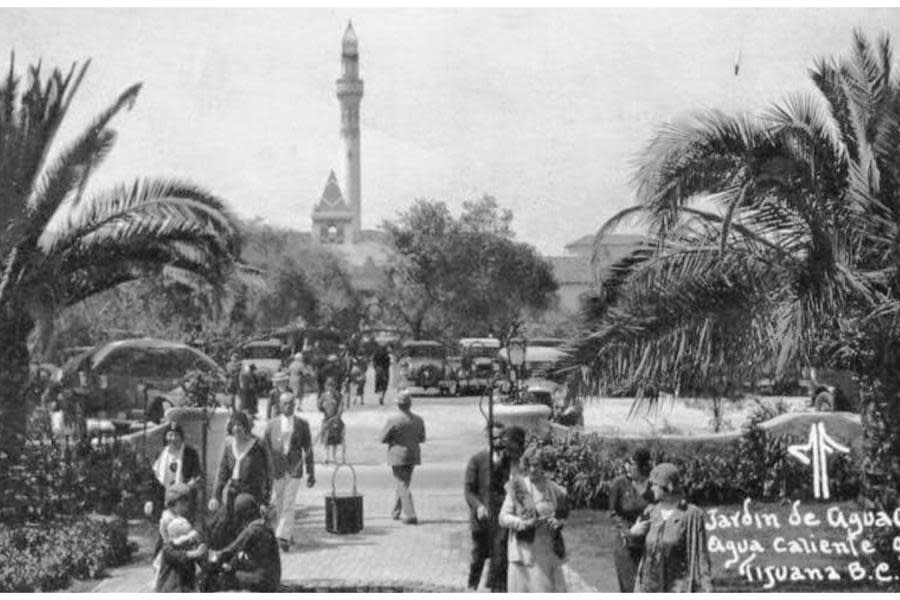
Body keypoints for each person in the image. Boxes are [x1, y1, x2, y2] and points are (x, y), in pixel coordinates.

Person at [630, 462, 712, 593]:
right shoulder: (650, 512)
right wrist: (633, 535)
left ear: (668, 487)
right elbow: (636, 554)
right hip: (649, 587)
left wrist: (707, 590)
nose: (651, 489)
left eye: (655, 485)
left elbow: (701, 559)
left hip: (678, 589)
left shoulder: (691, 515)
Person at [464, 425, 526, 592]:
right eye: (494, 438)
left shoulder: (509, 460)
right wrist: (478, 506)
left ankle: (495, 588)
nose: (498, 442)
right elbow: (468, 490)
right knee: (478, 556)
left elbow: (515, 485)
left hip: (500, 518)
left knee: (499, 557)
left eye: (501, 438)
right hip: (482, 519)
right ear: (487, 437)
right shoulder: (477, 459)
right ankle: (471, 586)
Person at [499, 447, 569, 593]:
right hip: (524, 551)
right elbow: (502, 518)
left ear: (543, 465)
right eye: (529, 464)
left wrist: (557, 522)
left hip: (547, 551)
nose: (532, 469)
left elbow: (563, 515)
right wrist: (522, 523)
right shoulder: (519, 487)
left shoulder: (553, 488)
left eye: (536, 465)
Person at [208, 411, 271, 549]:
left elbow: (267, 475)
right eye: (234, 425)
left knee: (241, 509)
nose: (237, 428)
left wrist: (265, 501)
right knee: (218, 524)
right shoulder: (229, 446)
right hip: (232, 492)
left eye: (240, 425)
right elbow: (222, 474)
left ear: (246, 427)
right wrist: (215, 496)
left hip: (251, 494)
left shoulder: (257, 446)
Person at [263, 395, 316, 552]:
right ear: (280, 405)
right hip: (277, 470)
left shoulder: (302, 425)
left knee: (289, 503)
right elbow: (265, 449)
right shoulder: (271, 425)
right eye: (285, 404)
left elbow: (308, 450)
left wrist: (311, 472)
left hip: (294, 469)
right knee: (280, 504)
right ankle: (287, 534)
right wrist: (266, 471)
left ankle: (282, 538)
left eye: (292, 403)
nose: (289, 406)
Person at [208, 494, 281, 593]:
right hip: (273, 578)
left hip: (263, 582)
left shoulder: (253, 530)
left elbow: (230, 551)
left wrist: (209, 556)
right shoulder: (264, 525)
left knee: (224, 578)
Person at [609, 447, 655, 592]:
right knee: (629, 587)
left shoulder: (653, 485)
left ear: (641, 466)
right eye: (627, 462)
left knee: (649, 586)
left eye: (631, 463)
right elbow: (612, 513)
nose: (627, 466)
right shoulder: (619, 483)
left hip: (649, 543)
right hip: (626, 544)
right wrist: (629, 531)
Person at [379, 390, 425, 524]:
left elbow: (382, 438)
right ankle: (396, 511)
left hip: (397, 455)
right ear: (410, 404)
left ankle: (410, 514)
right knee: (403, 483)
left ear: (398, 405)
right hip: (413, 454)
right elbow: (422, 438)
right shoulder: (419, 420)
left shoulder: (394, 420)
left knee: (402, 484)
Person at [145, 422, 204, 526]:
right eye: (170, 435)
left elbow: (197, 476)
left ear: (181, 437)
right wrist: (149, 500)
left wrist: (186, 487)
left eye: (176, 435)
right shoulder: (160, 453)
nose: (173, 438)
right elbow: (153, 481)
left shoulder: (190, 453)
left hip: (183, 498)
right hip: (164, 498)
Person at [154, 483, 208, 592]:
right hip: (172, 553)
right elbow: (169, 541)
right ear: (172, 504)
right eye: (182, 504)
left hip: (181, 550)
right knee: (172, 578)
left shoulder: (180, 516)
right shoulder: (167, 519)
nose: (185, 508)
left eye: (187, 504)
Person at [318, 378, 346, 465]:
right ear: (326, 386)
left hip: (336, 421)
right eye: (329, 386)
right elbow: (319, 406)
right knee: (326, 439)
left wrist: (337, 416)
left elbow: (341, 407)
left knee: (335, 440)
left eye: (332, 386)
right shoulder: (323, 396)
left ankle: (334, 457)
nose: (331, 388)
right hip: (326, 420)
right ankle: (326, 457)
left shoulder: (338, 395)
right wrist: (322, 406)